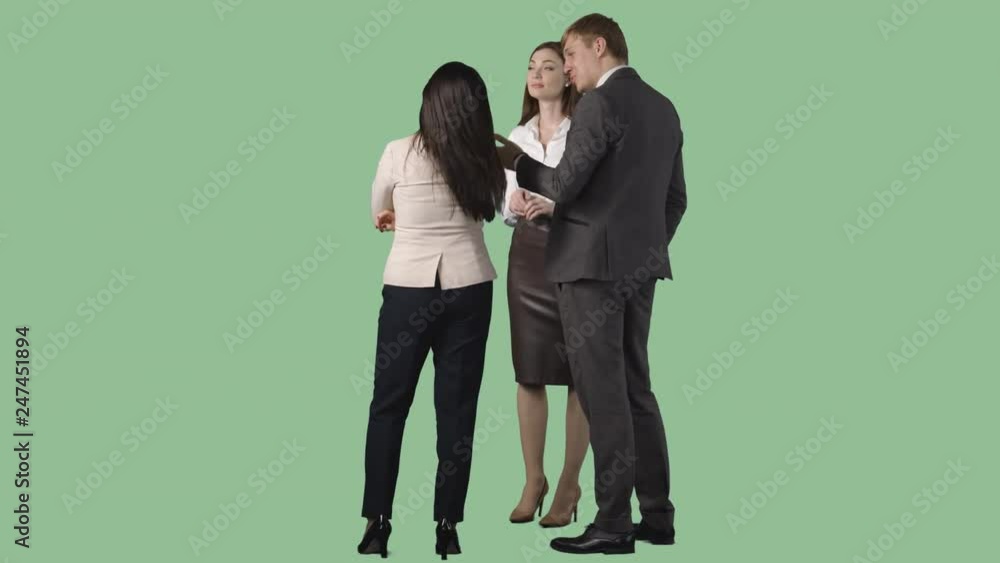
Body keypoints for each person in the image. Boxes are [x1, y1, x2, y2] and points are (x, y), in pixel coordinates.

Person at [495, 13, 687, 555]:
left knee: (604, 395)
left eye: (571, 56)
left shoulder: (601, 103)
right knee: (636, 390)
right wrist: (645, 249)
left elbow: (564, 183)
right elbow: (676, 200)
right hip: (639, 269)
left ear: (599, 47)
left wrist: (518, 164)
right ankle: (658, 517)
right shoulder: (664, 107)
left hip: (587, 270)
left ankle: (611, 524)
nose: (569, 70)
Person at [359, 61, 506, 559]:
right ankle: (447, 526)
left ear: (428, 104)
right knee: (457, 411)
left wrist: (395, 216)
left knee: (388, 406)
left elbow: (379, 205)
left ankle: (377, 524)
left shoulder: (397, 152)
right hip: (469, 287)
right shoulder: (487, 156)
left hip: (407, 290)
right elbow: (494, 208)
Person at [501, 41, 588, 529]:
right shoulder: (517, 135)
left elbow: (596, 195)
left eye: (549, 65)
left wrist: (557, 207)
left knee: (582, 371)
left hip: (576, 253)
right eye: (531, 65)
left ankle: (570, 482)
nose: (537, 73)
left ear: (568, 75)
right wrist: (512, 207)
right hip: (528, 258)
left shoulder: (585, 129)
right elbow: (502, 203)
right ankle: (533, 479)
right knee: (528, 371)